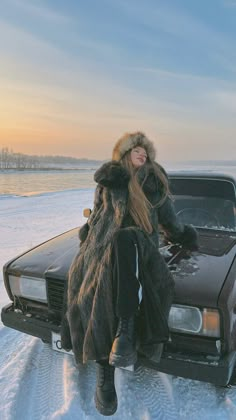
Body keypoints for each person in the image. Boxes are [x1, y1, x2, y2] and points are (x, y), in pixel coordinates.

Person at [61, 132, 198, 416]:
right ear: (124, 154)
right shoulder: (107, 182)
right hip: (104, 247)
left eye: (145, 151)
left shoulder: (154, 182)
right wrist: (88, 233)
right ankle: (104, 368)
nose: (143, 154)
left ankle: (126, 330)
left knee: (124, 240)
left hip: (139, 248)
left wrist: (184, 236)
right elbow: (98, 213)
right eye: (137, 150)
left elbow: (170, 220)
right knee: (88, 285)